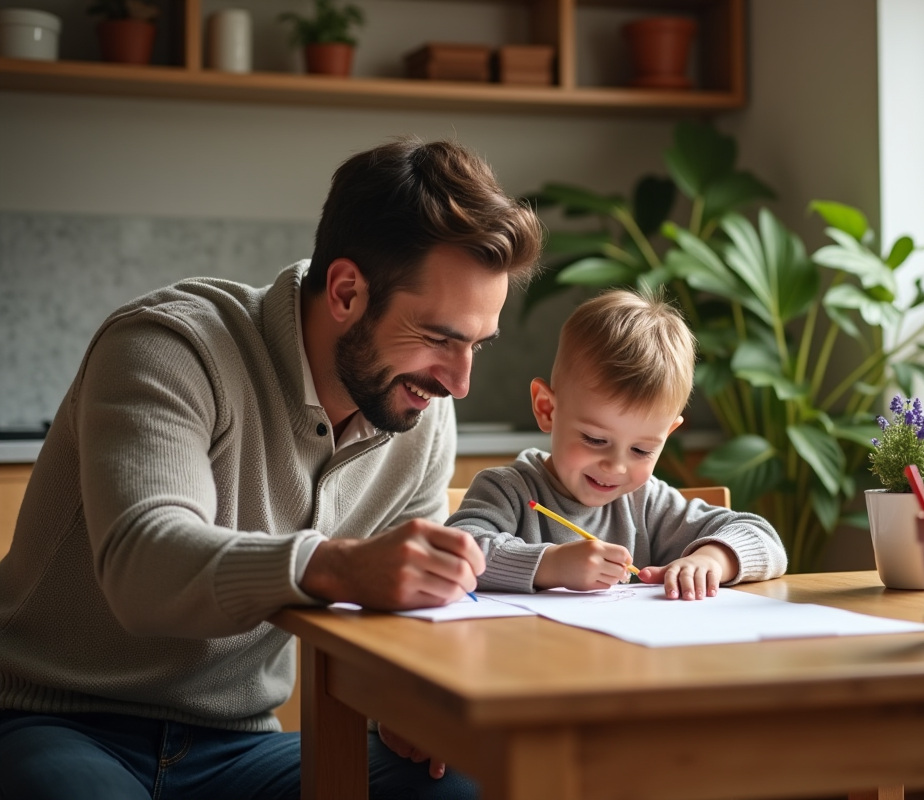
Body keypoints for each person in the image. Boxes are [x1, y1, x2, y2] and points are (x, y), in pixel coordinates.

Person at [0, 138, 542, 800]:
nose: (459, 383)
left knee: (461, 784)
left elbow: (405, 615)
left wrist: (403, 709)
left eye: (476, 346)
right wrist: (338, 566)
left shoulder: (419, 413)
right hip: (53, 721)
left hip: (238, 746)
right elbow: (142, 566)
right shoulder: (168, 347)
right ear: (346, 291)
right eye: (439, 339)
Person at [446, 290, 787, 599]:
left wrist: (712, 559)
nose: (616, 467)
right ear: (547, 409)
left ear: (667, 436)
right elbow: (457, 551)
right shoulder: (508, 490)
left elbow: (763, 538)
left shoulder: (646, 503)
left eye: (641, 450)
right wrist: (551, 564)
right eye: (595, 439)